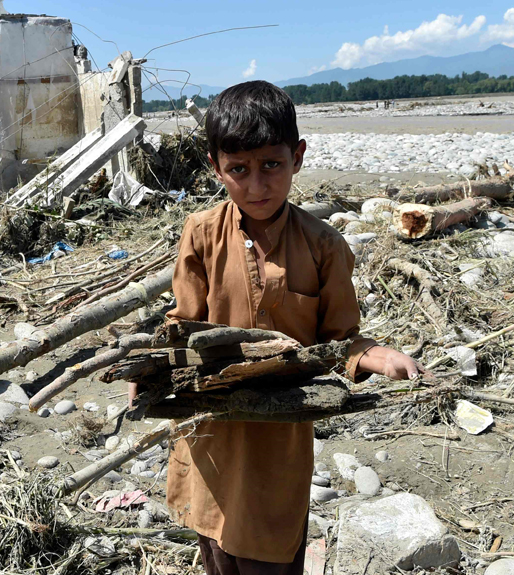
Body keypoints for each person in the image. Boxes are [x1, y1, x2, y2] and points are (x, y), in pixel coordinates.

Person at [155, 81, 428, 575]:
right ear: (216, 166)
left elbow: (340, 338)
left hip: (279, 429)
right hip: (210, 426)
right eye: (238, 169)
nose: (256, 186)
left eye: (271, 166)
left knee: (271, 547)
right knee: (215, 544)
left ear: (297, 157)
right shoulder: (200, 232)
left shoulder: (323, 246)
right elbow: (181, 326)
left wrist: (369, 355)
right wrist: (150, 371)